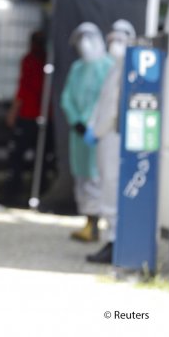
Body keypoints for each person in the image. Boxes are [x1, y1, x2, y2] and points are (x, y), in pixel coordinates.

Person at [84, 19, 136, 263]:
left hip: (113, 136)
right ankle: (112, 239)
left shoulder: (127, 68)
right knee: (107, 185)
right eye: (112, 38)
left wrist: (99, 129)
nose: (115, 43)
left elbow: (112, 110)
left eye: (120, 39)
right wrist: (94, 126)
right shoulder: (116, 67)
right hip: (106, 136)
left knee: (111, 188)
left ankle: (114, 241)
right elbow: (102, 103)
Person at [60, 22, 114, 242]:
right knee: (82, 177)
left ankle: (98, 224)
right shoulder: (77, 68)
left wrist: (93, 124)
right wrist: (77, 122)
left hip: (100, 133)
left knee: (98, 178)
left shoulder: (108, 67)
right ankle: (89, 222)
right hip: (79, 134)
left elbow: (106, 100)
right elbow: (67, 97)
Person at [4, 30, 47, 206]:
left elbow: (23, 88)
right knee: (40, 156)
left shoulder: (31, 60)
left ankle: (15, 189)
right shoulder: (45, 60)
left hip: (29, 114)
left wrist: (13, 111)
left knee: (19, 155)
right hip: (40, 114)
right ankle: (33, 188)